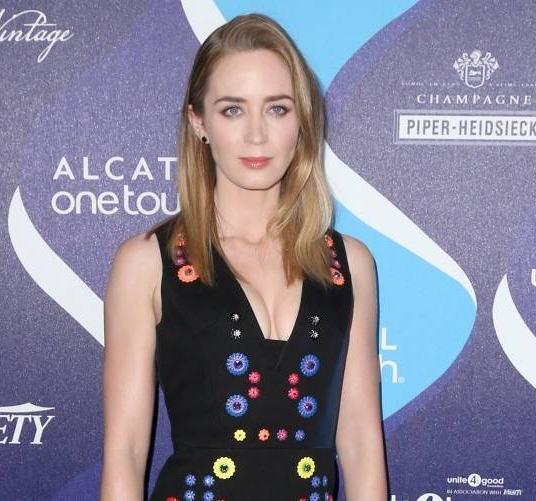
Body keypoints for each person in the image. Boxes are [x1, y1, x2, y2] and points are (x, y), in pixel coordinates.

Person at [101, 13, 386, 501]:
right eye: (233, 110)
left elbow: (360, 444)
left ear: (302, 120)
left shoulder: (349, 265)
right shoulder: (147, 263)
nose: (257, 135)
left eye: (277, 109)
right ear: (199, 122)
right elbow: (125, 453)